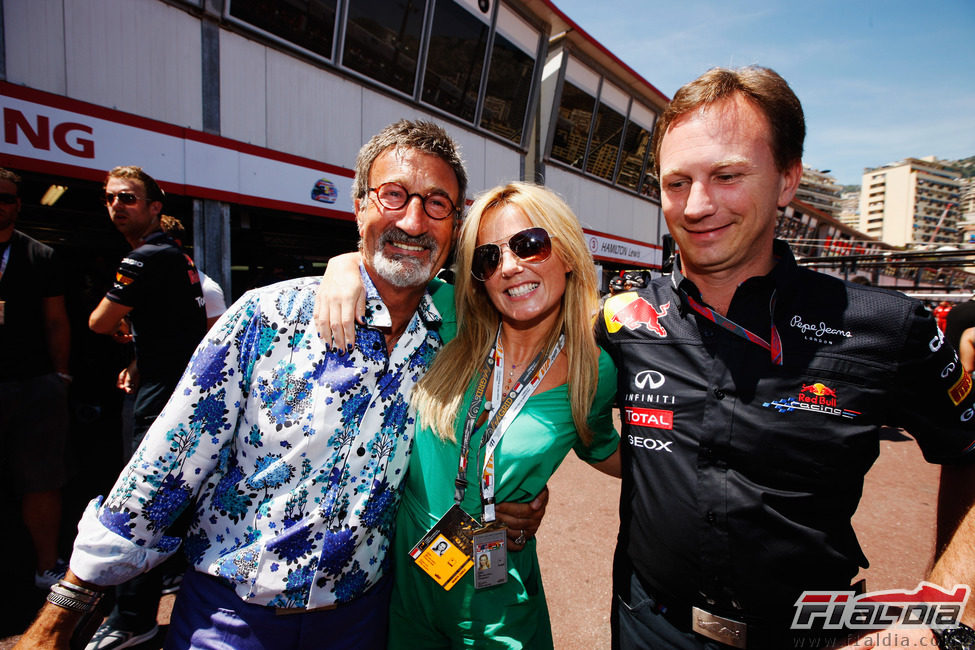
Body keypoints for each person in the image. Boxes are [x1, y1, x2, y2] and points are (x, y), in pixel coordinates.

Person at [17, 120, 542, 650]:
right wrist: (68, 603)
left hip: (361, 622)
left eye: (436, 204)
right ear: (359, 206)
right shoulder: (268, 317)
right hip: (230, 618)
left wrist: (511, 499)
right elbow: (167, 463)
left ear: (456, 222)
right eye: (393, 195)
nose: (412, 219)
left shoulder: (453, 343)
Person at [596, 66, 975, 649]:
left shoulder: (888, 327)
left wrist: (946, 610)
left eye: (726, 176)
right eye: (677, 183)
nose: (697, 205)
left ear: (788, 180)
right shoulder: (623, 319)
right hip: (648, 628)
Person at [318, 181, 621, 649]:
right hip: (407, 582)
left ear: (566, 252)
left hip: (497, 597)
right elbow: (384, 273)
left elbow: (603, 446)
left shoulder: (595, 367)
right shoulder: (449, 316)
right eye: (489, 258)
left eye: (530, 245)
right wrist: (341, 268)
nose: (510, 267)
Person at [0, 168, 72, 590]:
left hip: (33, 382)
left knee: (42, 477)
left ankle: (47, 564)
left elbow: (56, 320)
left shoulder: (39, 255)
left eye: (6, 198)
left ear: (18, 204)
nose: (0, 205)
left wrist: (61, 375)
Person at [159, 214, 227, 329]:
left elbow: (217, 342)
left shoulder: (207, 290)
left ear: (175, 243)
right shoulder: (144, 281)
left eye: (155, 241)